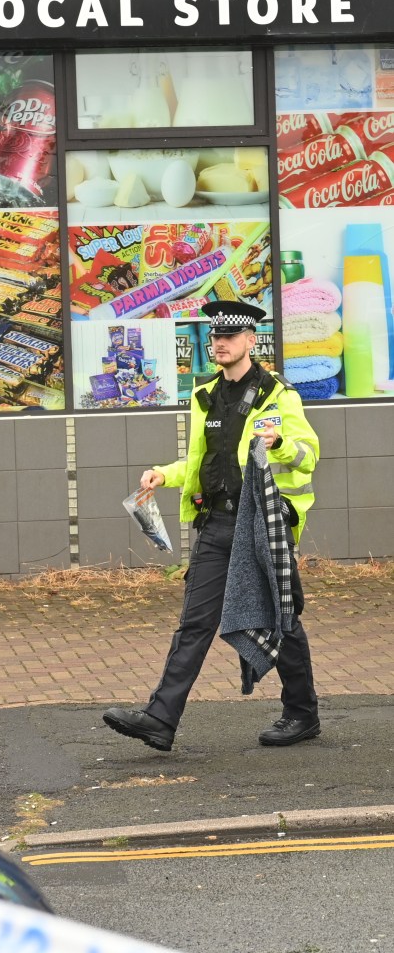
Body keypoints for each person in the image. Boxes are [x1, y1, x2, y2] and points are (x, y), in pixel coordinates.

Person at [103, 300, 320, 751]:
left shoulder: (278, 396)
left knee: (281, 617)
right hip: (219, 524)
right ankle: (160, 720)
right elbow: (206, 463)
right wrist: (165, 473)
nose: (218, 344)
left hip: (263, 526)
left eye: (228, 337)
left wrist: (279, 443)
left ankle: (302, 713)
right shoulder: (204, 396)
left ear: (250, 342)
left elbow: (308, 455)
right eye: (214, 338)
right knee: (195, 623)